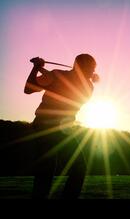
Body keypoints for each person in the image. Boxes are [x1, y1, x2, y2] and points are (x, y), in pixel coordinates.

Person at [25, 54, 98, 199]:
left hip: (63, 128)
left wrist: (38, 68)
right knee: (49, 169)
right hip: (45, 126)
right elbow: (28, 89)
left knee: (76, 167)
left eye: (93, 68)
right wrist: (38, 69)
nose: (92, 71)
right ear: (79, 66)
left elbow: (33, 87)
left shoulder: (86, 85)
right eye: (91, 68)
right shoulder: (59, 76)